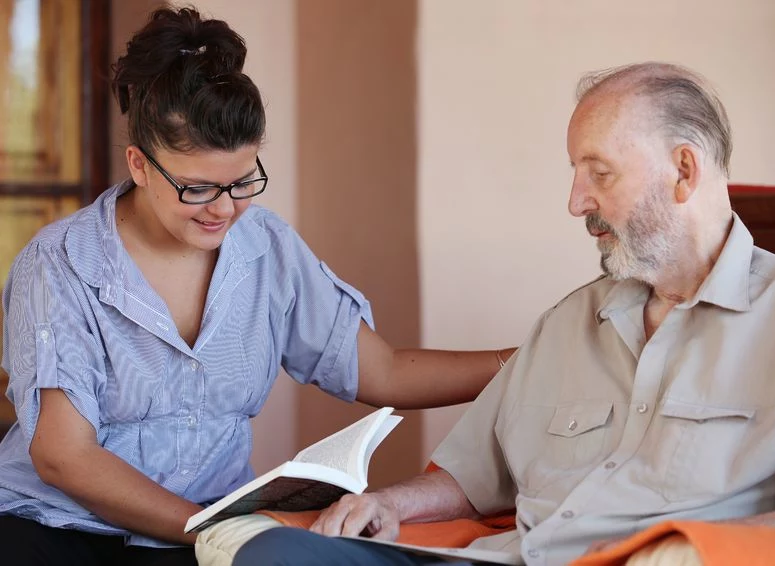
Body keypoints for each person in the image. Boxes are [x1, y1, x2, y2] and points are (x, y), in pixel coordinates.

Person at [230, 62, 775, 566]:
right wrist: (392, 504)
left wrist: (694, 550)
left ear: (684, 172)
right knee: (274, 551)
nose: (576, 202)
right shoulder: (566, 325)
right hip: (507, 558)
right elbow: (473, 476)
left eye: (598, 173)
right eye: (575, 173)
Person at [0, 7, 515, 566]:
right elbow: (63, 456)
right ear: (140, 165)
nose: (224, 209)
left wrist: (527, 360)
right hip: (58, 528)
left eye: (242, 181)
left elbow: (383, 371)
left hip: (202, 528)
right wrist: (207, 532)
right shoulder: (61, 263)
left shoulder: (266, 247)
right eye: (197, 188)